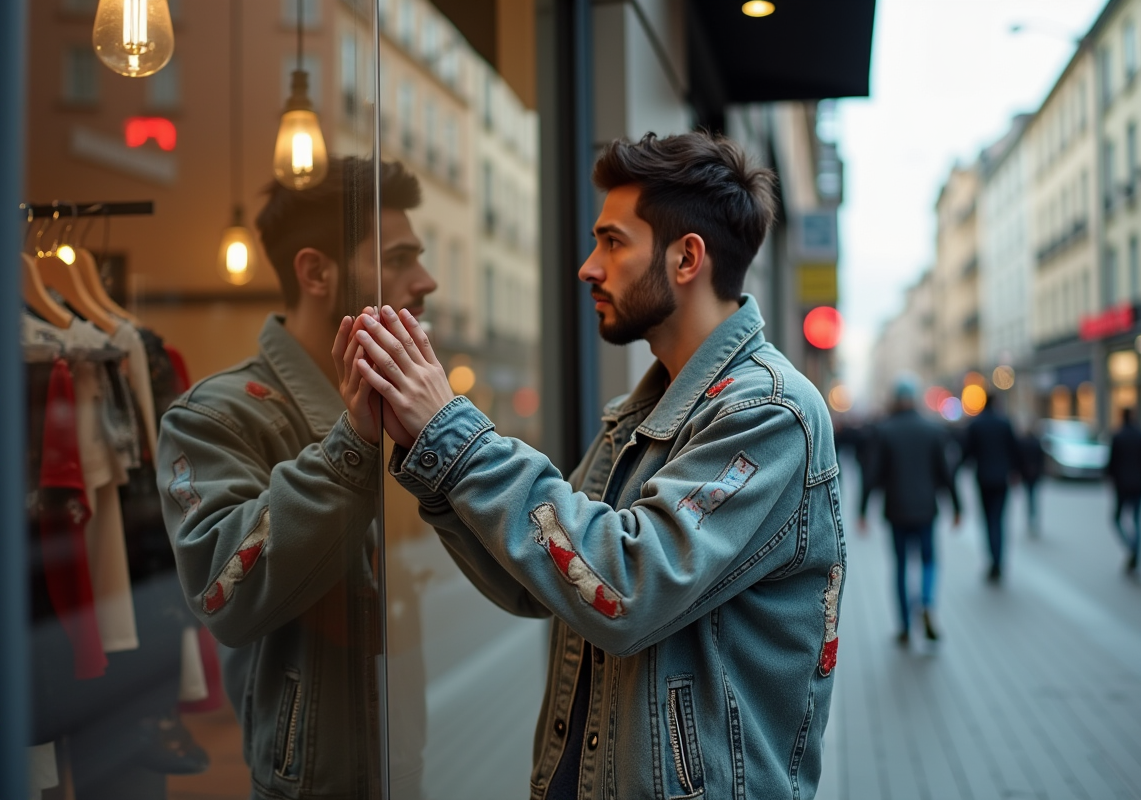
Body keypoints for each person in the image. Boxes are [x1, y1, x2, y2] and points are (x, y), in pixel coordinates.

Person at [342, 132, 845, 799]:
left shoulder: (770, 413)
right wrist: (431, 455)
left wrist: (455, 438)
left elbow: (626, 587)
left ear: (687, 258)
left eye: (612, 242)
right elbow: (539, 584)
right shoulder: (642, 414)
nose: (588, 267)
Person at [156, 158, 437, 799]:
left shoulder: (399, 404)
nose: (426, 280)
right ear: (315, 272)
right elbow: (224, 590)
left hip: (401, 763)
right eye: (398, 259)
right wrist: (353, 443)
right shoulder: (212, 416)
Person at [858, 378, 960, 645]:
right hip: (926, 509)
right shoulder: (933, 429)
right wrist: (957, 506)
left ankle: (904, 625)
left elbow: (871, 474)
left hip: (896, 510)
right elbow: (946, 473)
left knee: (901, 566)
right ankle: (925, 602)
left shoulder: (884, 430)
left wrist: (862, 511)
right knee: (928, 561)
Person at [961, 392, 1021, 581]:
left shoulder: (976, 424)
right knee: (999, 520)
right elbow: (1014, 449)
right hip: (1001, 479)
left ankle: (992, 560)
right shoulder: (1004, 423)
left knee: (988, 521)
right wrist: (1015, 472)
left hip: (984, 479)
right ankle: (998, 560)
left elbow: (967, 452)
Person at [1106, 407, 1141, 574]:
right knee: (1137, 521)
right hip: (1138, 484)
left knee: (1117, 519)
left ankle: (1132, 547)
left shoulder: (1118, 436)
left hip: (1122, 485)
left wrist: (1110, 479)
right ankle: (1135, 551)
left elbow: (1112, 462)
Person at [1016, 423, 1044, 537]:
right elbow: (1041, 459)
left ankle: (1030, 517)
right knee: (1032, 496)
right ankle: (1032, 517)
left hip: (1026, 474)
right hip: (1034, 474)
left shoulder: (1022, 442)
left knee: (1030, 496)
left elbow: (1019, 459)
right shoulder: (1036, 442)